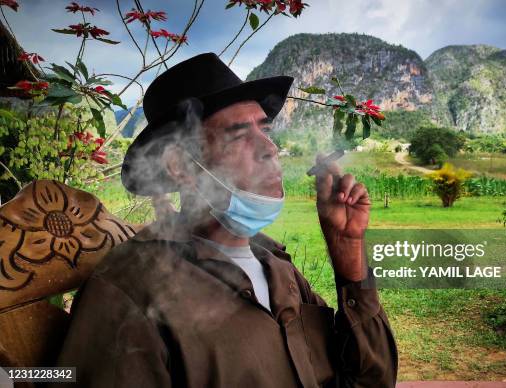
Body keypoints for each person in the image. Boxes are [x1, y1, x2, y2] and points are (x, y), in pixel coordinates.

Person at [52, 53, 398, 387]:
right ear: (180, 167)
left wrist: (348, 251)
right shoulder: (130, 291)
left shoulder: (278, 267)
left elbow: (370, 380)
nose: (269, 149)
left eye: (264, 131)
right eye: (238, 135)